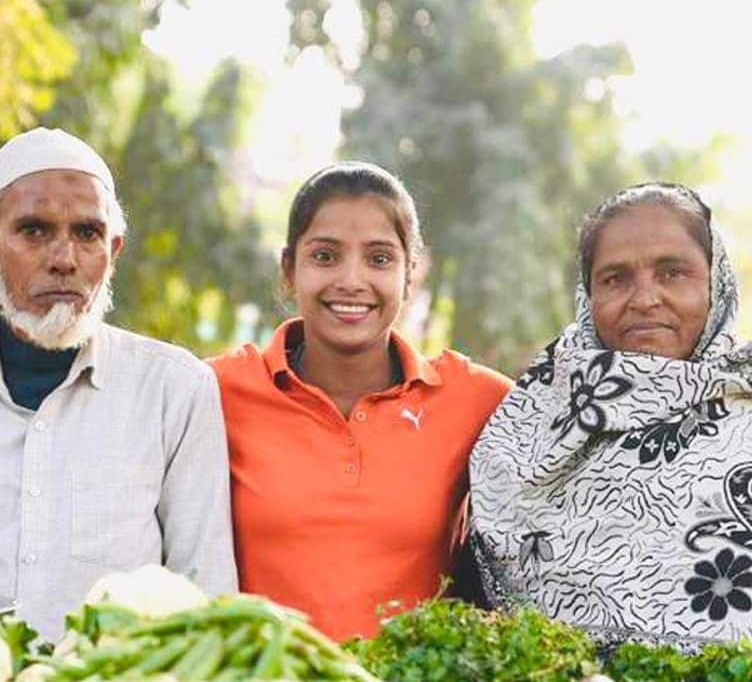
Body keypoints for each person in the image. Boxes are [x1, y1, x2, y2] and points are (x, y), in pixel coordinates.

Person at [0, 127, 237, 638]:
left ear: (115, 249)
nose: (64, 259)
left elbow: (207, 598)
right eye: (34, 230)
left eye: (88, 233)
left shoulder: (173, 392)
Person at [209, 161, 512, 641]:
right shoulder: (215, 391)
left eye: (379, 259)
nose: (351, 280)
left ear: (412, 273)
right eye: (325, 257)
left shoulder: (478, 399)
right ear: (289, 269)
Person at [469, 181, 752, 649]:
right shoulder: (531, 424)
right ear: (588, 296)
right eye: (615, 278)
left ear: (715, 283)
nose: (644, 299)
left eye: (672, 272)